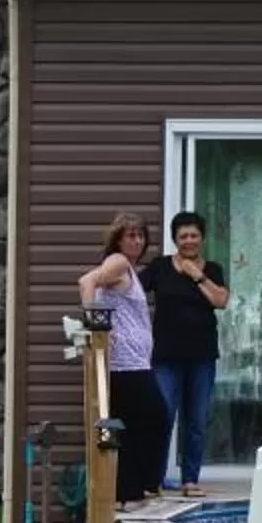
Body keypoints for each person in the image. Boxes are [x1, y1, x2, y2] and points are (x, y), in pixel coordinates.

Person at [75, 212, 170, 505]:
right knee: (156, 418)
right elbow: (86, 280)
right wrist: (94, 321)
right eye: (130, 235)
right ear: (118, 239)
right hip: (125, 364)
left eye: (141, 235)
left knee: (129, 428)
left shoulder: (128, 269)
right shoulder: (117, 262)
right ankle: (140, 487)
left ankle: (129, 492)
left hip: (133, 362)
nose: (137, 240)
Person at [143, 209, 228, 496]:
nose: (189, 240)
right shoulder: (160, 267)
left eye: (194, 235)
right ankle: (152, 481)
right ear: (175, 240)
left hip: (202, 356)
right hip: (165, 355)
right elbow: (131, 289)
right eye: (183, 236)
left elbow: (221, 301)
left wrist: (197, 276)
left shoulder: (212, 269)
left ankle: (190, 480)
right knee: (163, 416)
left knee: (197, 420)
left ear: (202, 238)